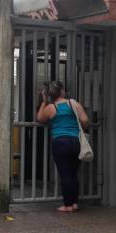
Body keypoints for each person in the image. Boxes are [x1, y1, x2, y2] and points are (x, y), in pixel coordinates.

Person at [36, 80, 89, 213]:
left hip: (60, 142)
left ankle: (68, 205)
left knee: (65, 174)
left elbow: (40, 118)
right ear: (62, 91)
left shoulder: (51, 108)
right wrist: (79, 129)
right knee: (73, 173)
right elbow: (85, 120)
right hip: (76, 141)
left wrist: (44, 101)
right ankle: (74, 203)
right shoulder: (73, 103)